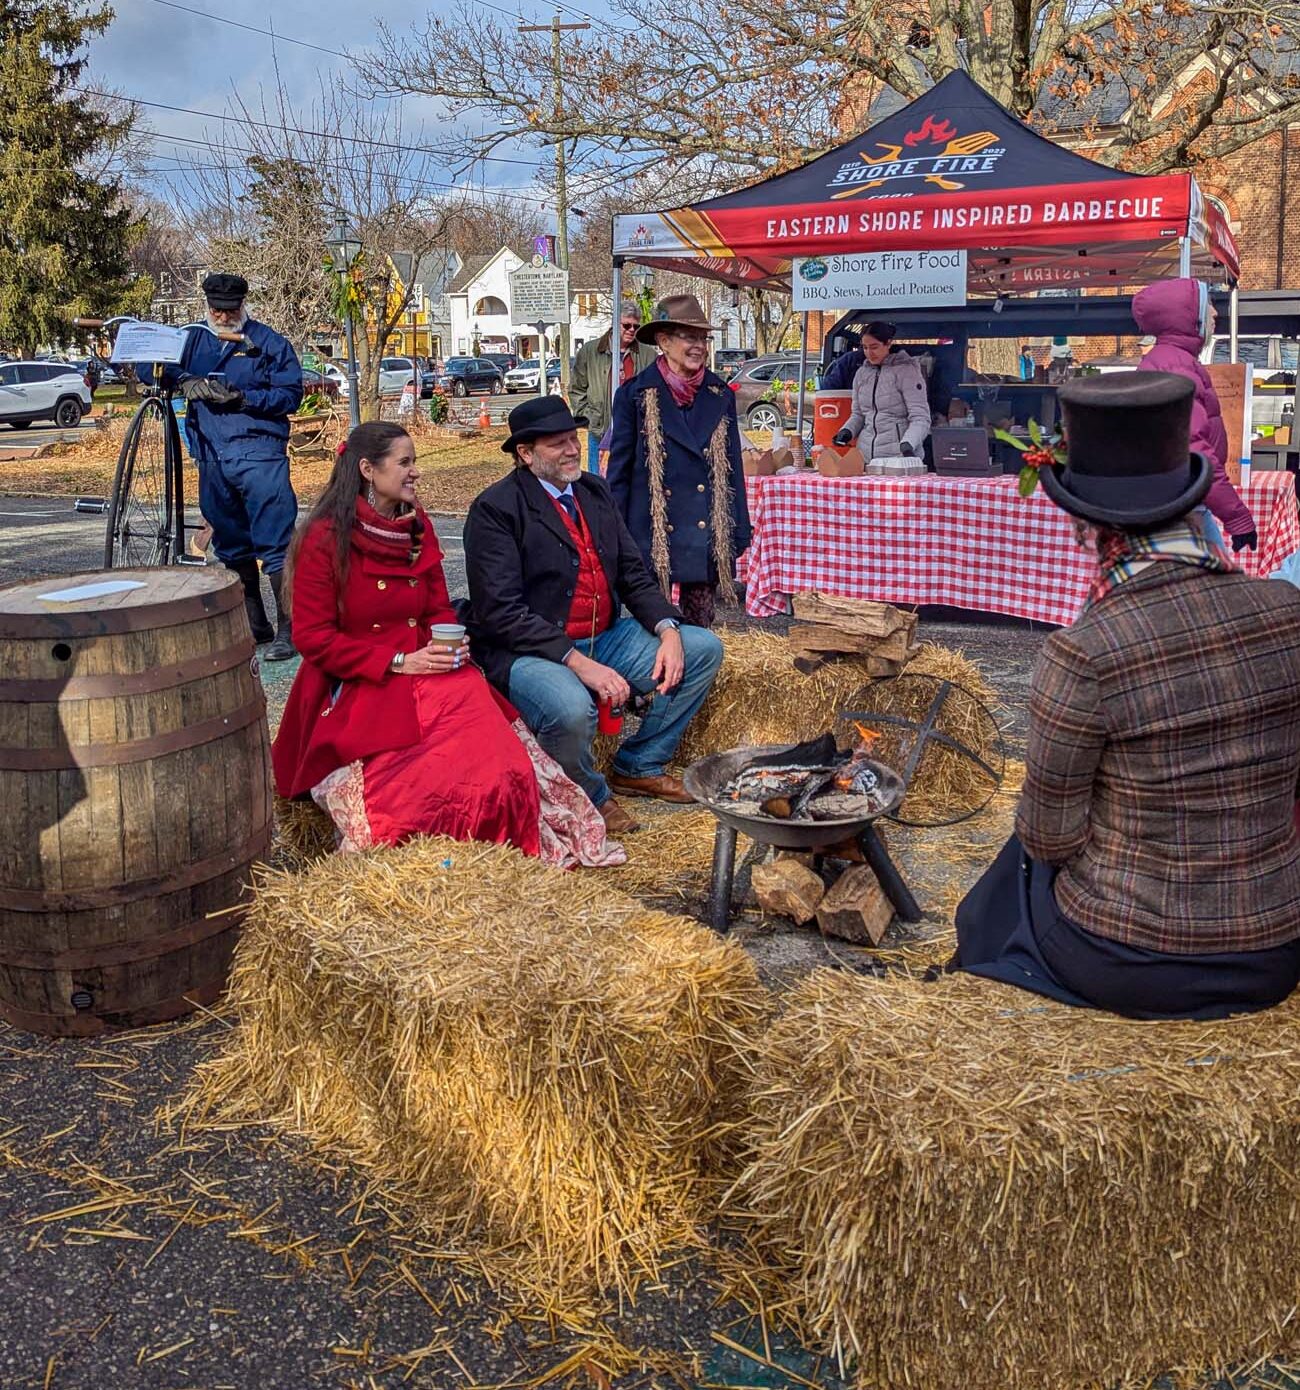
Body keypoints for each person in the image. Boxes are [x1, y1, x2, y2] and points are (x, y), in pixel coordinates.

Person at [952, 372, 1300, 1020]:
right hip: (1276, 950)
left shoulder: (1084, 652)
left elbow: (1048, 839)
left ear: (1089, 527)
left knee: (1009, 877)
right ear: (1193, 501)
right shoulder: (1289, 611)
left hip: (1131, 959)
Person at [272, 421, 622, 866]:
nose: (415, 472)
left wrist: (445, 642)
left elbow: (438, 604)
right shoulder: (324, 538)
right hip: (362, 678)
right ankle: (428, 862)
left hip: (432, 666)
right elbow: (313, 638)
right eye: (405, 462)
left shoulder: (417, 527)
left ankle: (495, 854)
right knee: (409, 789)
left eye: (415, 461)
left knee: (500, 764)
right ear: (367, 469)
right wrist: (399, 660)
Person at [464, 396, 725, 837]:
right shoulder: (495, 509)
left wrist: (668, 628)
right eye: (557, 444)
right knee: (571, 710)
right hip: (531, 650)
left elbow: (631, 572)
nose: (571, 450)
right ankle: (589, 793)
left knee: (702, 649)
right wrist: (578, 663)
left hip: (602, 636)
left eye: (573, 438)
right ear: (525, 455)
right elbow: (499, 613)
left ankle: (638, 764)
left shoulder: (592, 490)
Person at [167, 272, 303, 660]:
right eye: (216, 310)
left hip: (260, 454)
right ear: (206, 307)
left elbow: (290, 394)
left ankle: (288, 629)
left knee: (275, 542)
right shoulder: (191, 339)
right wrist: (184, 380)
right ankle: (254, 623)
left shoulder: (269, 343)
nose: (223, 317)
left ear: (243, 306)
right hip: (212, 454)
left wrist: (242, 396)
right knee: (230, 544)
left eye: (230, 310)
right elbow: (150, 368)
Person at [605, 294, 751, 629]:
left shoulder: (720, 394)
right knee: (655, 626)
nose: (699, 345)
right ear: (663, 340)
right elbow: (620, 473)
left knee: (699, 625)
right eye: (689, 337)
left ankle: (696, 678)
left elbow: (732, 471)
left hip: (705, 532)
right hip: (651, 529)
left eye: (702, 338)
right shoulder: (634, 396)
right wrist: (615, 532)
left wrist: (738, 528)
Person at [1133, 277, 1256, 553]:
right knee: (1218, 588)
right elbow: (1193, 451)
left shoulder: (1171, 360)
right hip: (1180, 505)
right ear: (1187, 316)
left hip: (1176, 501)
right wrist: (1237, 518)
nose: (1215, 313)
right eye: (1208, 304)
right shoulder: (1176, 366)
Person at [570, 303, 657, 474]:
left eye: (636, 326)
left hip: (636, 433)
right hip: (600, 431)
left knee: (633, 481)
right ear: (614, 324)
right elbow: (577, 389)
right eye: (626, 325)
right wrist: (591, 418)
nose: (632, 330)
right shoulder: (590, 351)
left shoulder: (648, 355)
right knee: (600, 483)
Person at [831, 320, 930, 460]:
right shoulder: (861, 374)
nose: (869, 353)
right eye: (865, 348)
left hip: (899, 457)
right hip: (865, 456)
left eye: (874, 347)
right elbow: (858, 414)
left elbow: (921, 418)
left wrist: (908, 443)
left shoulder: (908, 372)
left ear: (888, 343)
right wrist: (847, 431)